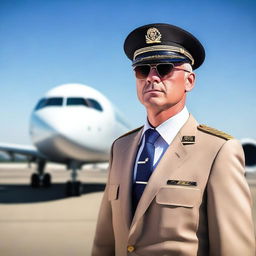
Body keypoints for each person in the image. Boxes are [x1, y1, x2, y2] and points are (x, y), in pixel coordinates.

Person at [92, 23, 255, 256]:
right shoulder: (121, 148)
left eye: (165, 69)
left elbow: (234, 248)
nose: (151, 78)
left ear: (190, 81)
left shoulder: (218, 150)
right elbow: (104, 240)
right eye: (142, 70)